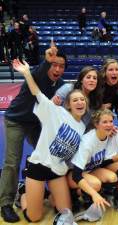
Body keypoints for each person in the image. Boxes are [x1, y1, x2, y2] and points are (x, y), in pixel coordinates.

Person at [12, 59, 86, 223]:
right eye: (75, 100)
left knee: (66, 212)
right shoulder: (55, 112)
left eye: (82, 100)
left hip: (57, 172)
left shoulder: (83, 129)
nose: (79, 102)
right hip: (39, 166)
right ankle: (24, 194)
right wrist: (26, 73)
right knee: (34, 217)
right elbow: (37, 93)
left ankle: (44, 195)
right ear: (68, 104)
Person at [0, 45, 66, 223]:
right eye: (54, 65)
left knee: (51, 154)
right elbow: (38, 71)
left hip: (36, 123)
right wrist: (47, 60)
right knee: (12, 161)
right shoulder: (38, 75)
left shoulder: (60, 85)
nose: (57, 69)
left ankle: (33, 186)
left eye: (61, 66)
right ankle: (6, 203)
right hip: (17, 121)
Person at [69, 109, 118, 213]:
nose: (109, 125)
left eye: (111, 121)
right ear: (96, 124)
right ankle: (76, 194)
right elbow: (76, 175)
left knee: (115, 175)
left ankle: (116, 197)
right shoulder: (88, 142)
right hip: (75, 175)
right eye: (105, 122)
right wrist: (95, 194)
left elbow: (105, 161)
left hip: (92, 169)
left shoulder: (109, 134)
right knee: (95, 184)